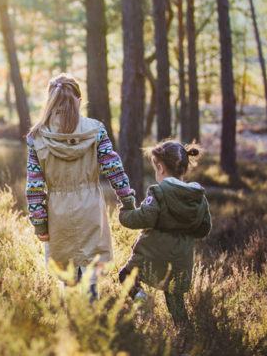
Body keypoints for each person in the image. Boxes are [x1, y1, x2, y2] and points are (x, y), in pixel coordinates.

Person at [26, 74, 133, 299]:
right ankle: (89, 323)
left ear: (50, 100)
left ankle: (72, 324)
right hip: (91, 209)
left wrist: (39, 224)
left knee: (68, 277)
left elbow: (34, 187)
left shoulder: (37, 136)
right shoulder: (95, 130)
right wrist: (127, 200)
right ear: (79, 100)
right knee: (90, 275)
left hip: (59, 214)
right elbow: (114, 168)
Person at [117, 140, 212, 329]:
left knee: (126, 276)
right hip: (181, 259)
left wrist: (124, 213)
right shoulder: (198, 198)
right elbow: (204, 229)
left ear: (159, 168)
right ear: (185, 171)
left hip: (154, 253)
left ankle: (143, 303)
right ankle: (184, 332)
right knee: (175, 297)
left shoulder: (159, 192)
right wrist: (185, 228)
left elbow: (143, 218)